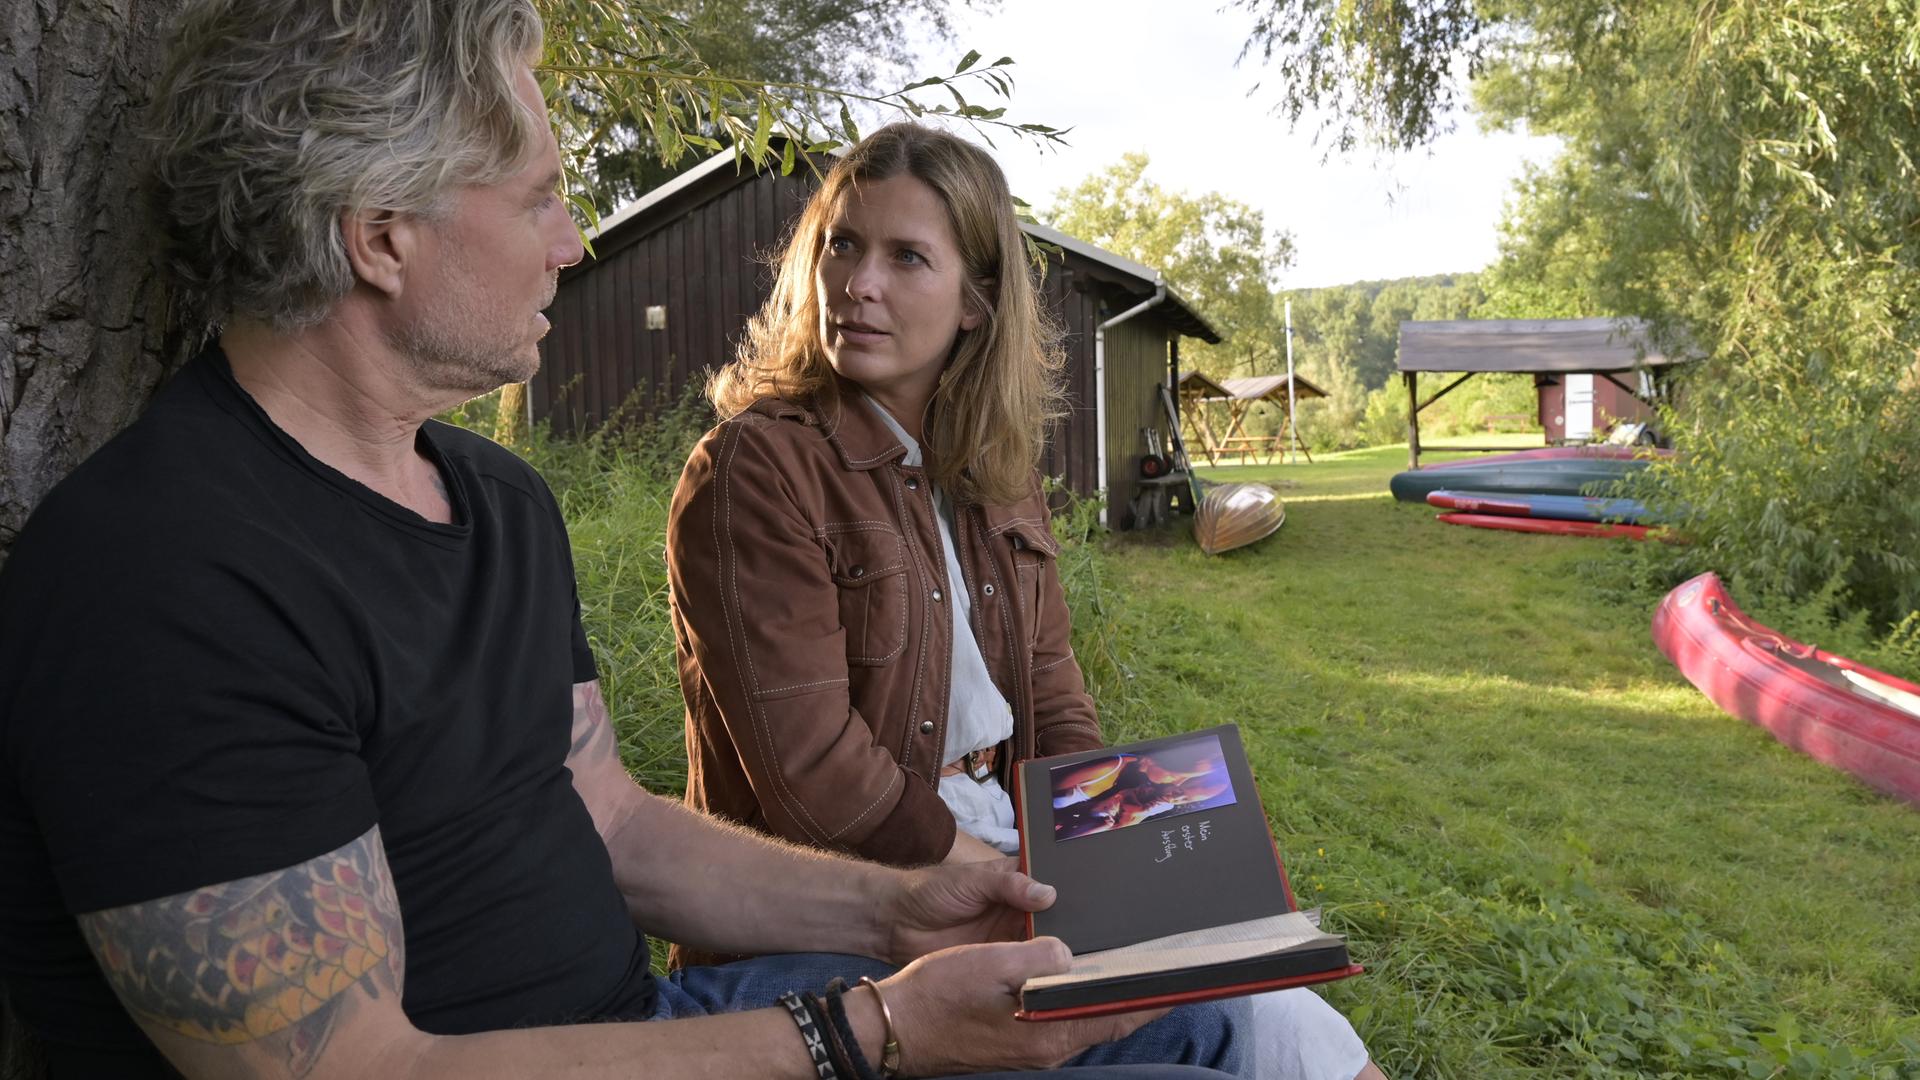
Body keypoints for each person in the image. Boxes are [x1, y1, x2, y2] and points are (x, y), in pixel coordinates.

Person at [0, 4, 1253, 1079]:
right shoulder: (159, 580)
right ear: (381, 235)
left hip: (645, 1024)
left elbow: (611, 823)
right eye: (541, 195)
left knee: (1187, 1022)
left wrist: (903, 916)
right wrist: (863, 1035)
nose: (574, 242)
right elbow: (354, 1068)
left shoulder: (493, 502)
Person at [665, 125, 1385, 1080]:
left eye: (906, 256)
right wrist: (987, 879)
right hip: (858, 889)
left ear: (977, 301)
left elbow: (1050, 693)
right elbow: (812, 774)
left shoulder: (994, 473)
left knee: (1275, 1004)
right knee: (1251, 1020)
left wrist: (1115, 849)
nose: (859, 283)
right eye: (842, 244)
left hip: (1002, 836)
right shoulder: (758, 467)